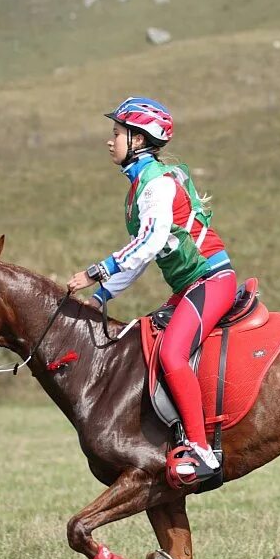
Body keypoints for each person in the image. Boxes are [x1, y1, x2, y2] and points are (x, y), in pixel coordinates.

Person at [67, 97, 237, 486]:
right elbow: (144, 257)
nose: (110, 142)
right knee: (148, 341)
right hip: (188, 287)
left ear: (139, 139)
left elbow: (150, 240)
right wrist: (102, 296)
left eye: (116, 134)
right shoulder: (140, 187)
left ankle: (202, 451)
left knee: (174, 354)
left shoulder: (157, 184)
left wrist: (97, 272)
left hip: (211, 281)